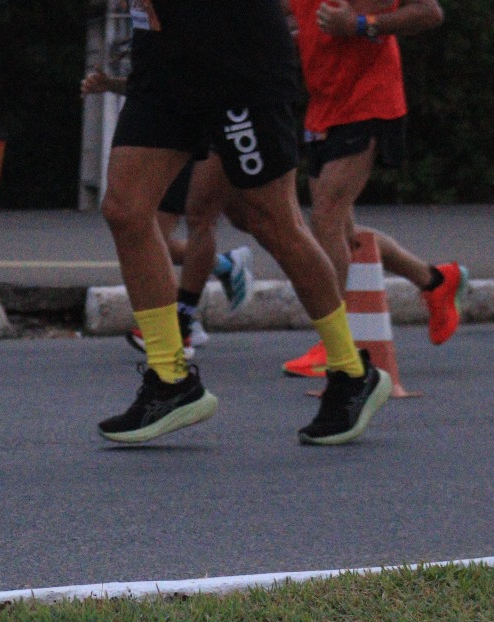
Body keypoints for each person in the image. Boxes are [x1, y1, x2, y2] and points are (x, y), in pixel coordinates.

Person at [97, 0, 391, 446]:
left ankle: (351, 371)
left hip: (237, 55)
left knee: (271, 218)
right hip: (164, 56)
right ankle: (170, 380)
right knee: (125, 209)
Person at [281, 0, 468, 378]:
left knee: (327, 222)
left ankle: (338, 341)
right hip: (324, 104)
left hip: (369, 100)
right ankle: (435, 280)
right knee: (343, 232)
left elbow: (430, 12)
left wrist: (360, 24)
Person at [82, 68, 254, 358]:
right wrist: (112, 84)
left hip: (194, 136)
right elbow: (158, 82)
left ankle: (182, 324)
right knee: (146, 236)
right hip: (171, 134)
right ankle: (216, 275)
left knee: (158, 234)